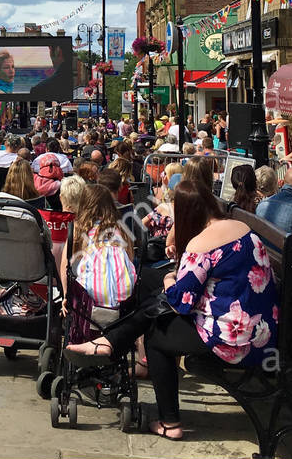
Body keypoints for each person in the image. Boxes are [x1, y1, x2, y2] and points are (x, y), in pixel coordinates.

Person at [67, 182, 279, 440]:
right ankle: (111, 341)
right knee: (150, 289)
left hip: (235, 340)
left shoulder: (201, 244)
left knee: (157, 334)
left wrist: (170, 281)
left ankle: (169, 421)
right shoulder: (243, 228)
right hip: (260, 329)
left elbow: (181, 301)